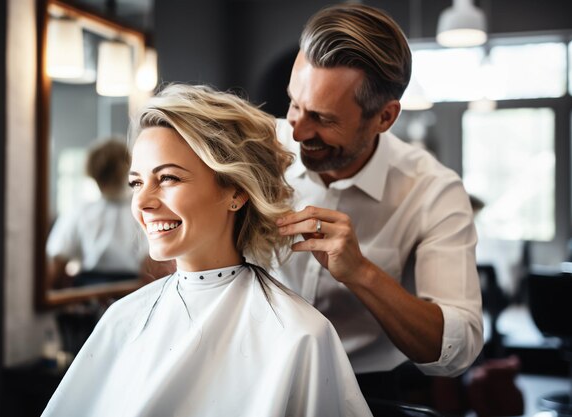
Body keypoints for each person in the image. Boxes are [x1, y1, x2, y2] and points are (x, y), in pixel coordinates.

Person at [42, 84, 371, 417]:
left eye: (168, 178)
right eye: (136, 182)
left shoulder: (301, 336)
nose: (141, 202)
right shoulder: (121, 320)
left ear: (236, 192)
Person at [273, 3, 483, 399]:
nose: (297, 131)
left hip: (369, 393)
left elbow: (459, 350)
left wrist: (362, 272)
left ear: (384, 118)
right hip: (256, 381)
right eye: (294, 104)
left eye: (322, 118)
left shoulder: (433, 192)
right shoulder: (258, 153)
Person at [46, 139, 149, 288]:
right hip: (115, 287)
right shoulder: (141, 211)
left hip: (97, 290)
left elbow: (58, 261)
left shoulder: (80, 211)